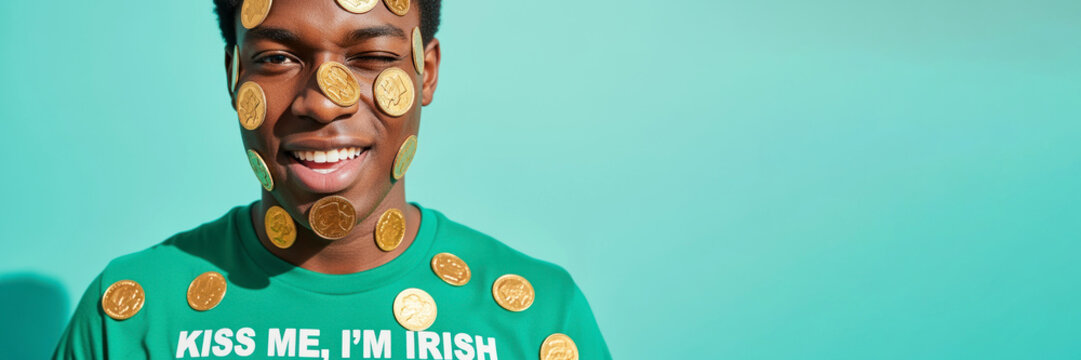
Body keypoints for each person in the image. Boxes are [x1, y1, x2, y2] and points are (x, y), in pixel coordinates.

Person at [53, 0, 610, 359]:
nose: (323, 102)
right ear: (232, 73)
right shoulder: (134, 312)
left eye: (370, 56)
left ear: (427, 72)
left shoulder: (539, 315)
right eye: (275, 58)